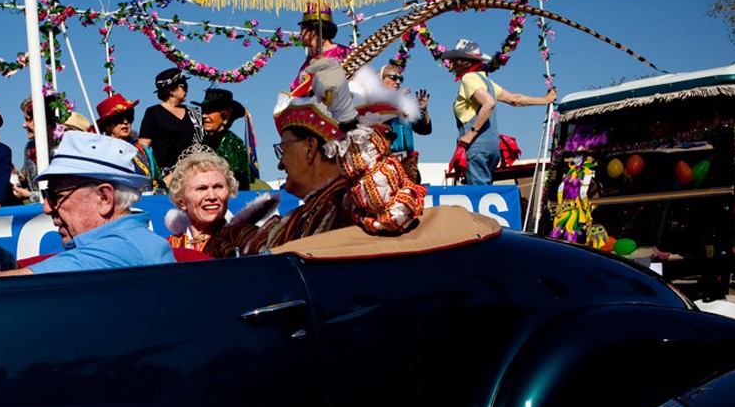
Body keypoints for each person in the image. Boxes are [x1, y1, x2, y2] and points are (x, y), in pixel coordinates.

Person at [205, 61, 427, 257]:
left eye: (283, 149)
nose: (280, 164)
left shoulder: (347, 204)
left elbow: (389, 209)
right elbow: (247, 242)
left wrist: (348, 121)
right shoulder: (303, 215)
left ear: (310, 148)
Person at [0, 131, 176, 275]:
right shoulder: (133, 242)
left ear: (104, 198)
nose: (46, 207)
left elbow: (10, 287)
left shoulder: (124, 249)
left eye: (55, 196)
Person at [442, 39, 557, 186]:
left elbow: (489, 102)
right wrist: (544, 100)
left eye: (453, 61)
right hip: (492, 146)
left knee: (479, 195)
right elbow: (515, 99)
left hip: (477, 145)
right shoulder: (486, 81)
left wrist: (471, 133)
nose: (451, 66)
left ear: (461, 62)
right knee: (485, 188)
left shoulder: (469, 78)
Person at [164, 145, 236, 253]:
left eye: (218, 187)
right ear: (181, 200)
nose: (212, 196)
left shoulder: (239, 238)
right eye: (201, 189)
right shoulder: (169, 247)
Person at [137, 68, 202, 183]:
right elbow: (143, 148)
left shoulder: (193, 113)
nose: (187, 88)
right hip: (166, 178)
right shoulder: (153, 113)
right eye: (183, 85)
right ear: (171, 89)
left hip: (194, 173)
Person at [98, 92, 162, 192]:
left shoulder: (143, 151)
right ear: (107, 125)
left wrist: (157, 192)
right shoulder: (100, 153)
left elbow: (158, 182)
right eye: (118, 118)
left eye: (129, 116)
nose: (125, 122)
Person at [380, 63, 431, 183]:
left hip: (407, 165)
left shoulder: (405, 105)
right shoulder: (374, 101)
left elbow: (425, 130)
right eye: (393, 77)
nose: (397, 82)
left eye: (400, 79)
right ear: (381, 80)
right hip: (386, 165)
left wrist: (423, 111)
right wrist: (394, 102)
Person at [193, 87, 252, 190]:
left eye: (209, 111)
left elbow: (241, 184)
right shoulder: (200, 142)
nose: (204, 116)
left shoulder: (235, 143)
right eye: (203, 111)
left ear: (225, 115)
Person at [289, 4, 351, 94]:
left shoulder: (344, 53)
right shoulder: (308, 61)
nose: (300, 33)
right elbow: (295, 90)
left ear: (313, 30)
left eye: (302, 28)